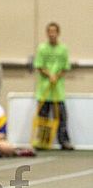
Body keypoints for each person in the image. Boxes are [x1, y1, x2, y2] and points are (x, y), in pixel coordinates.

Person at [33, 22, 74, 150]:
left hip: (58, 91)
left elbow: (66, 67)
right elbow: (39, 65)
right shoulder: (42, 48)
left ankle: (64, 141)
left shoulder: (63, 49)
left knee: (62, 117)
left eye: (54, 31)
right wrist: (49, 75)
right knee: (43, 117)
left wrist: (57, 76)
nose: (52, 34)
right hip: (44, 90)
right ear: (47, 33)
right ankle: (43, 142)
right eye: (49, 31)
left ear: (58, 33)